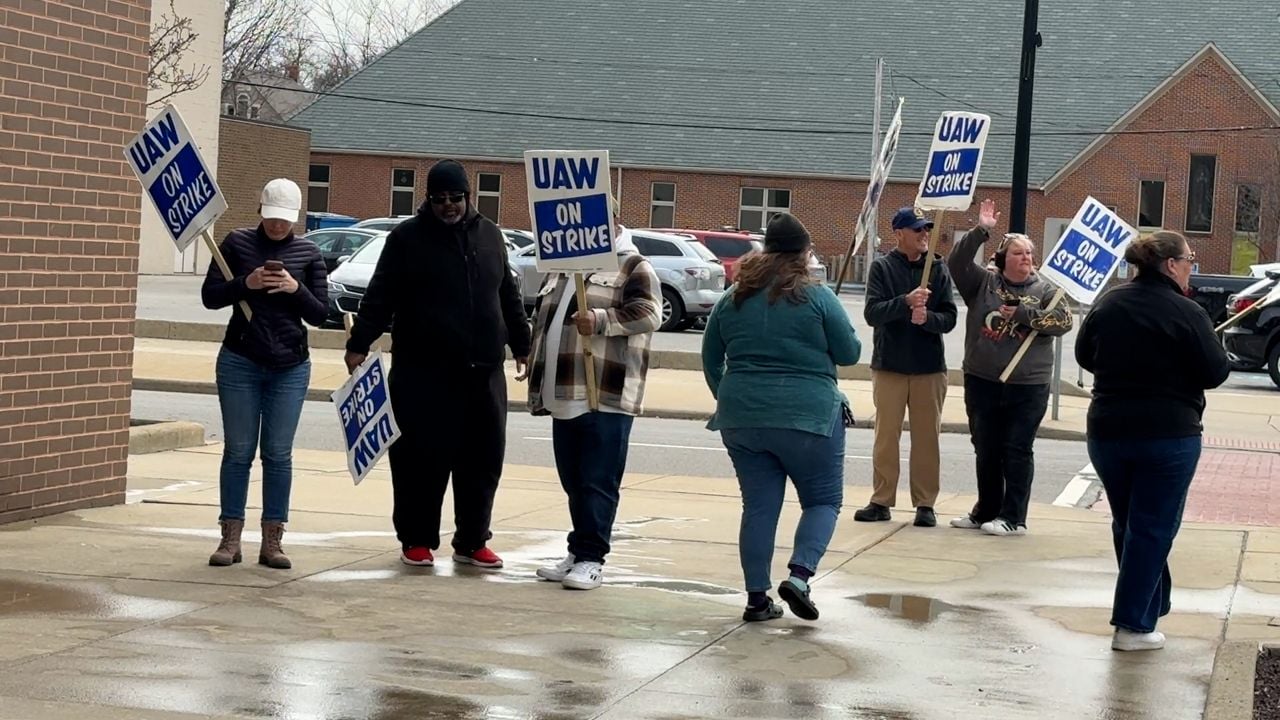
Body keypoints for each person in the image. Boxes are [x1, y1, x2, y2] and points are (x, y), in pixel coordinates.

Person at [344, 159, 531, 569]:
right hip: (422, 373)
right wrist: (359, 343)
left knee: (482, 461)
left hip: (482, 372)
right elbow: (380, 295)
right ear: (427, 199)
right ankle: (416, 538)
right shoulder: (407, 239)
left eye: (455, 198)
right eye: (439, 198)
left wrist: (522, 345)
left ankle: (472, 540)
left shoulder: (490, 235)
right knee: (420, 462)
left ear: (469, 196)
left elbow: (507, 297)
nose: (448, 205)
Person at [702, 213, 861, 622]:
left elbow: (710, 356)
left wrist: (729, 397)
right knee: (823, 501)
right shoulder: (818, 295)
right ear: (804, 252)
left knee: (758, 507)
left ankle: (757, 598)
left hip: (742, 416)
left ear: (766, 250)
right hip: (808, 415)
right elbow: (849, 354)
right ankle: (800, 576)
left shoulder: (733, 296)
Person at [1076, 230, 1229, 652]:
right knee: (1152, 528)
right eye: (1189, 259)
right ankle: (1132, 624)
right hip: (1167, 433)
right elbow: (1216, 372)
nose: (1190, 266)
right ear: (1170, 264)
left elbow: (1085, 356)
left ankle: (1150, 606)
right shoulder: (1187, 311)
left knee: (1130, 524)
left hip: (1108, 430)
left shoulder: (1109, 303)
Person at [527, 200, 662, 591]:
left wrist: (601, 320)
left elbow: (649, 313)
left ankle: (592, 557)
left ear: (612, 220)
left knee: (598, 478)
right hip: (561, 389)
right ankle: (577, 548)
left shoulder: (632, 264)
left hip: (603, 390)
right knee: (573, 479)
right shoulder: (562, 266)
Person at [202, 178, 328, 570]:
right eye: (273, 218)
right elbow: (210, 296)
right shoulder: (236, 243)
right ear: (260, 210)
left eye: (285, 220)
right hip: (241, 359)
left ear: (296, 218)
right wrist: (246, 283)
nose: (278, 227)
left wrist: (294, 288)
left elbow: (321, 313)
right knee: (238, 451)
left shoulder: (308, 253)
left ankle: (273, 539)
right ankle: (230, 536)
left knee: (278, 453)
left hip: (290, 364)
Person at [946, 199, 1073, 536]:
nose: (1026, 259)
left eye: (1029, 254)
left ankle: (1013, 516)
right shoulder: (983, 284)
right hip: (983, 379)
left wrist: (1022, 315)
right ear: (1003, 259)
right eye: (1018, 253)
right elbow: (956, 261)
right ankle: (985, 509)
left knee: (1016, 449)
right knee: (985, 447)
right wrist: (981, 230)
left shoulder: (1047, 290)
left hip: (1027, 386)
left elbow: (1063, 322)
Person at [854, 207, 957, 527]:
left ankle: (925, 504)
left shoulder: (938, 269)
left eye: (926, 229)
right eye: (917, 230)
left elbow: (950, 317)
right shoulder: (882, 268)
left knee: (927, 439)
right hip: (890, 366)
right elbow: (872, 313)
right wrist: (905, 303)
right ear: (899, 233)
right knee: (886, 437)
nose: (924, 234)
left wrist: (928, 319)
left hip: (928, 368)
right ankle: (881, 500)